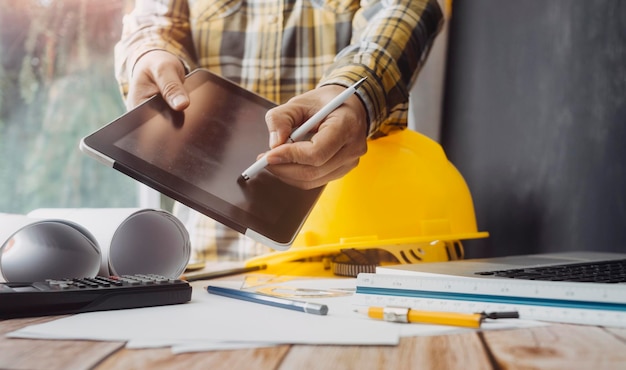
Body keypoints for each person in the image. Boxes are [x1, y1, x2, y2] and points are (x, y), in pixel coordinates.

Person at [114, 0, 444, 260]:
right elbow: (154, 20)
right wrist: (149, 53)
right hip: (210, 252)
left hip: (340, 252)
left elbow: (404, 9)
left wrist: (354, 91)